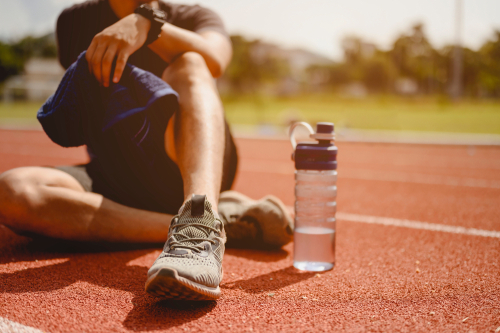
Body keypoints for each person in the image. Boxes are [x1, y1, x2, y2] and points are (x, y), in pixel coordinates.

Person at [0, 0, 293, 300]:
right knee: (14, 191)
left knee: (191, 62)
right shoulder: (74, 21)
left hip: (185, 165)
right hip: (118, 173)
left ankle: (200, 214)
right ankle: (215, 223)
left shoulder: (194, 16)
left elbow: (215, 59)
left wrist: (146, 25)